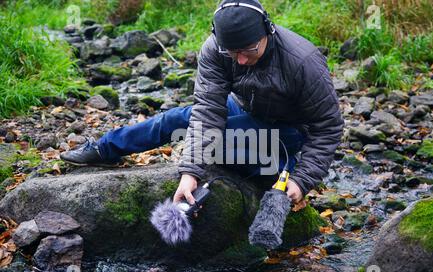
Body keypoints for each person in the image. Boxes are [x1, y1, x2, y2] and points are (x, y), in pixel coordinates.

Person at [61, 0, 344, 209]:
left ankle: (281, 165)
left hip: (289, 131)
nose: (241, 60)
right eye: (233, 53)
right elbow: (208, 110)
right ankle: (105, 148)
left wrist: (301, 180)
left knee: (223, 144)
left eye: (248, 51)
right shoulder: (215, 49)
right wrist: (190, 173)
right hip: (245, 108)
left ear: (266, 32)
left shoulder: (302, 62)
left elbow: (328, 127)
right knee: (176, 119)